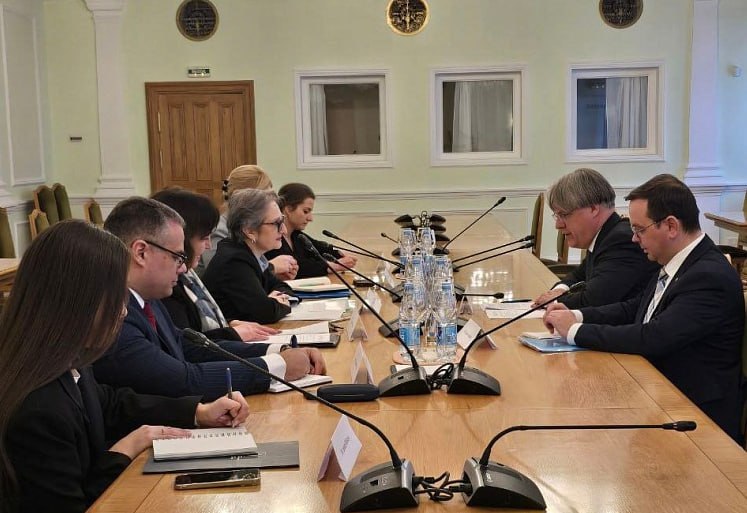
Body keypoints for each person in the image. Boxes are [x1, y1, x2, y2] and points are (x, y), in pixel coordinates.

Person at [0, 220, 250, 513]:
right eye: (116, 297)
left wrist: (198, 412)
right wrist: (126, 448)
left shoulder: (62, 359)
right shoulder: (38, 408)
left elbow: (110, 403)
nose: (122, 311)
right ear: (76, 302)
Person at [543, 174, 745, 443]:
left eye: (639, 230)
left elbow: (654, 337)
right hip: (657, 393)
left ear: (671, 226)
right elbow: (635, 308)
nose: (634, 239)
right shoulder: (677, 261)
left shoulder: (708, 276)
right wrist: (576, 316)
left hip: (694, 420)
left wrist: (575, 332)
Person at [94, 197, 325, 400]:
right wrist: (277, 367)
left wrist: (278, 351)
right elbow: (182, 380)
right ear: (141, 252)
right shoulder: (113, 315)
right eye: (177, 257)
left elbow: (189, 346)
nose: (183, 268)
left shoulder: (145, 299)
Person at [151, 187, 280, 342]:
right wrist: (230, 333)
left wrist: (228, 323)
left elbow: (196, 326)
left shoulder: (188, 276)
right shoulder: (167, 286)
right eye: (203, 238)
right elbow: (185, 344)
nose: (209, 246)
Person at [534, 168, 659, 308]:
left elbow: (594, 300)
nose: (558, 225)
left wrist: (553, 301)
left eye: (564, 215)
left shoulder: (621, 241)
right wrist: (559, 291)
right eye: (557, 216)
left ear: (593, 209)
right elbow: (578, 275)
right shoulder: (605, 235)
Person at [203, 189, 297, 324]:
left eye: (282, 221)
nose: (284, 230)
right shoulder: (234, 261)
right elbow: (265, 312)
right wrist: (277, 302)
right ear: (249, 230)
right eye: (276, 224)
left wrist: (275, 300)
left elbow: (282, 287)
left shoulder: (251, 254)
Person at [200, 164, 298, 280]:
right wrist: (271, 267)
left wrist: (274, 278)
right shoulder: (219, 230)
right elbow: (225, 274)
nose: (270, 202)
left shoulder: (255, 227)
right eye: (264, 196)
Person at [265, 182, 357, 278]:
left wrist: (339, 254)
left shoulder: (296, 234)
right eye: (305, 211)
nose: (310, 218)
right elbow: (295, 266)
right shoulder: (273, 237)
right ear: (288, 209)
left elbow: (318, 248)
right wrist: (332, 266)